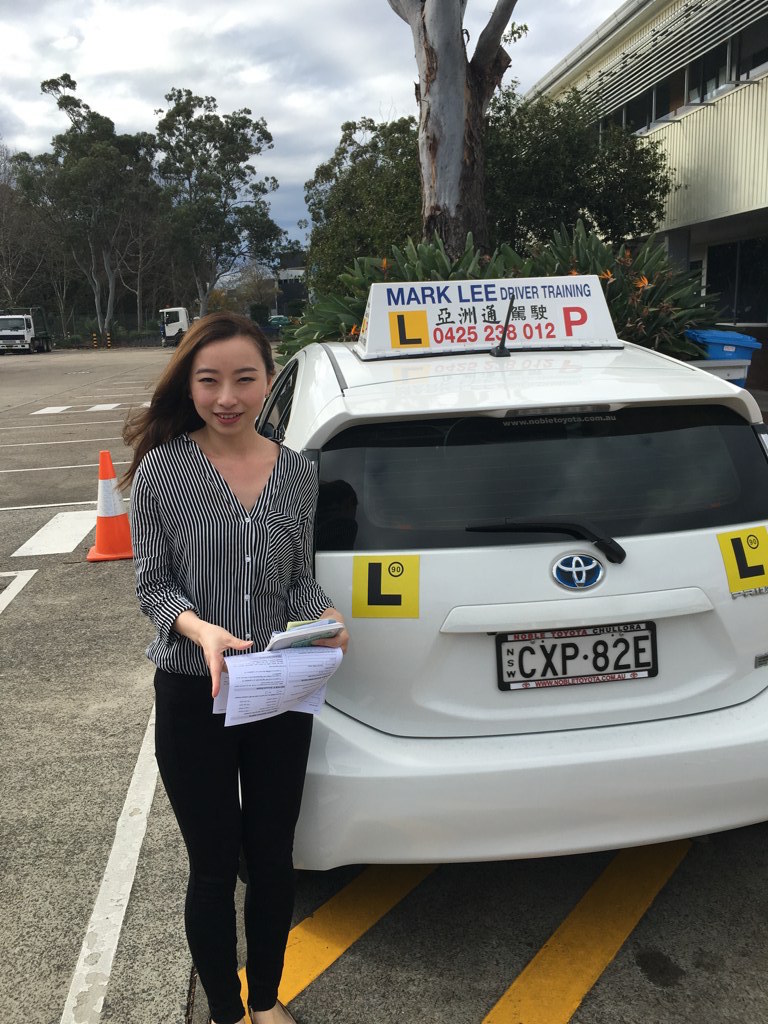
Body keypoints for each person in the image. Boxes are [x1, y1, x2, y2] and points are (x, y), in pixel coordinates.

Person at [122, 311, 348, 1024]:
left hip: (278, 692)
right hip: (195, 695)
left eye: (244, 379)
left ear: (267, 381)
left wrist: (327, 620)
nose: (227, 396)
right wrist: (200, 631)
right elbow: (153, 585)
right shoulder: (162, 471)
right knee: (215, 869)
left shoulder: (299, 473)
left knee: (273, 859)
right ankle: (224, 1011)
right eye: (209, 380)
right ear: (188, 385)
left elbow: (298, 582)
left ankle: (268, 999)